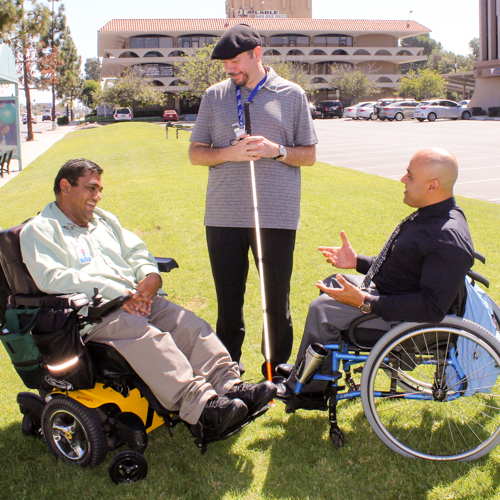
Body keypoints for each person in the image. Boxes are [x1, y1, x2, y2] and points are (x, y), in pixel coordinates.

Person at [19, 158, 276, 439]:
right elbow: (52, 278)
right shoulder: (40, 229)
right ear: (65, 186)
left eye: (100, 190)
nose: (98, 196)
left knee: (189, 325)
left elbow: (136, 252)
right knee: (151, 338)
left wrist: (150, 276)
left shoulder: (103, 220)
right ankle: (204, 409)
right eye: (91, 188)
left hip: (136, 301)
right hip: (93, 317)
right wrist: (116, 293)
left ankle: (229, 386)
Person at [276, 148, 475, 405]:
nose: (402, 179)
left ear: (432, 186)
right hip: (392, 296)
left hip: (406, 322)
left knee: (322, 308)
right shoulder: (433, 216)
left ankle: (305, 390)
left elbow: (431, 308)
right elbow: (404, 268)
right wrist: (356, 262)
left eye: (410, 176)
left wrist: (364, 301)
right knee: (332, 283)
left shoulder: (447, 237)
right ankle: (312, 372)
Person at [189, 23, 318, 376]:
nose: (230, 70)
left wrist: (275, 151)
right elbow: (196, 153)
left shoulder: (292, 95)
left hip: (275, 216)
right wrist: (229, 153)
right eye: (225, 65)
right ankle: (227, 372)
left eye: (235, 62)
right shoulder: (214, 96)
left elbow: (308, 154)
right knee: (228, 302)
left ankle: (275, 371)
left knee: (275, 301)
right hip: (223, 214)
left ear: (257, 54)